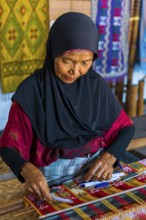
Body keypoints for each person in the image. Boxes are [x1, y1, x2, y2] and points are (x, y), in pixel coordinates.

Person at [0, 12, 134, 201]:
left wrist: (110, 157)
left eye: (85, 63)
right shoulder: (32, 92)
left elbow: (126, 128)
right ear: (53, 51)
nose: (75, 71)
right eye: (67, 61)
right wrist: (28, 171)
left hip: (94, 176)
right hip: (51, 185)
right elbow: (8, 147)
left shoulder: (94, 85)